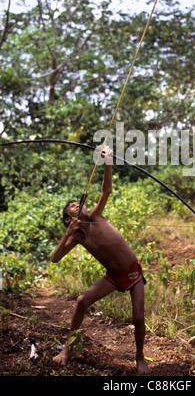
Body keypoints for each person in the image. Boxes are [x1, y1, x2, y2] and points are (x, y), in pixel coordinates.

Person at [51, 146, 150, 375]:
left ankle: (140, 357)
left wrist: (108, 160)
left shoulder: (96, 216)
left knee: (138, 316)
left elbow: (106, 191)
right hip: (113, 277)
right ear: (69, 219)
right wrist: (68, 233)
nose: (79, 204)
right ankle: (67, 348)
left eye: (79, 202)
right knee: (82, 300)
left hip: (133, 273)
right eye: (73, 207)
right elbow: (55, 258)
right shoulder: (76, 236)